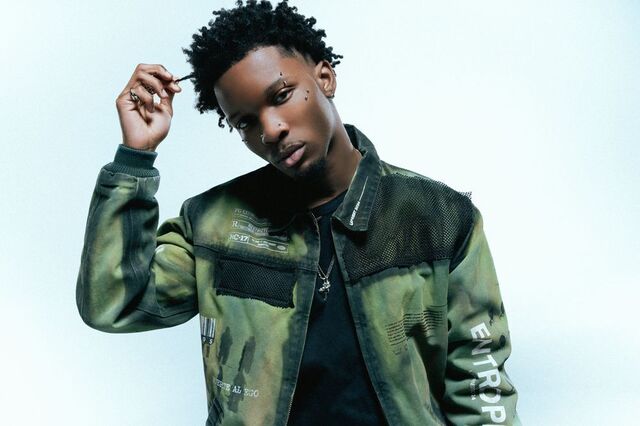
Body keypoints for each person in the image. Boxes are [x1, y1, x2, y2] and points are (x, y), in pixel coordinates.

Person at [76, 1, 520, 424]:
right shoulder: (212, 224)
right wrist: (135, 157)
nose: (270, 129)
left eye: (282, 95)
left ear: (325, 78)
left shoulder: (439, 218)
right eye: (246, 122)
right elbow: (114, 304)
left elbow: (481, 385)